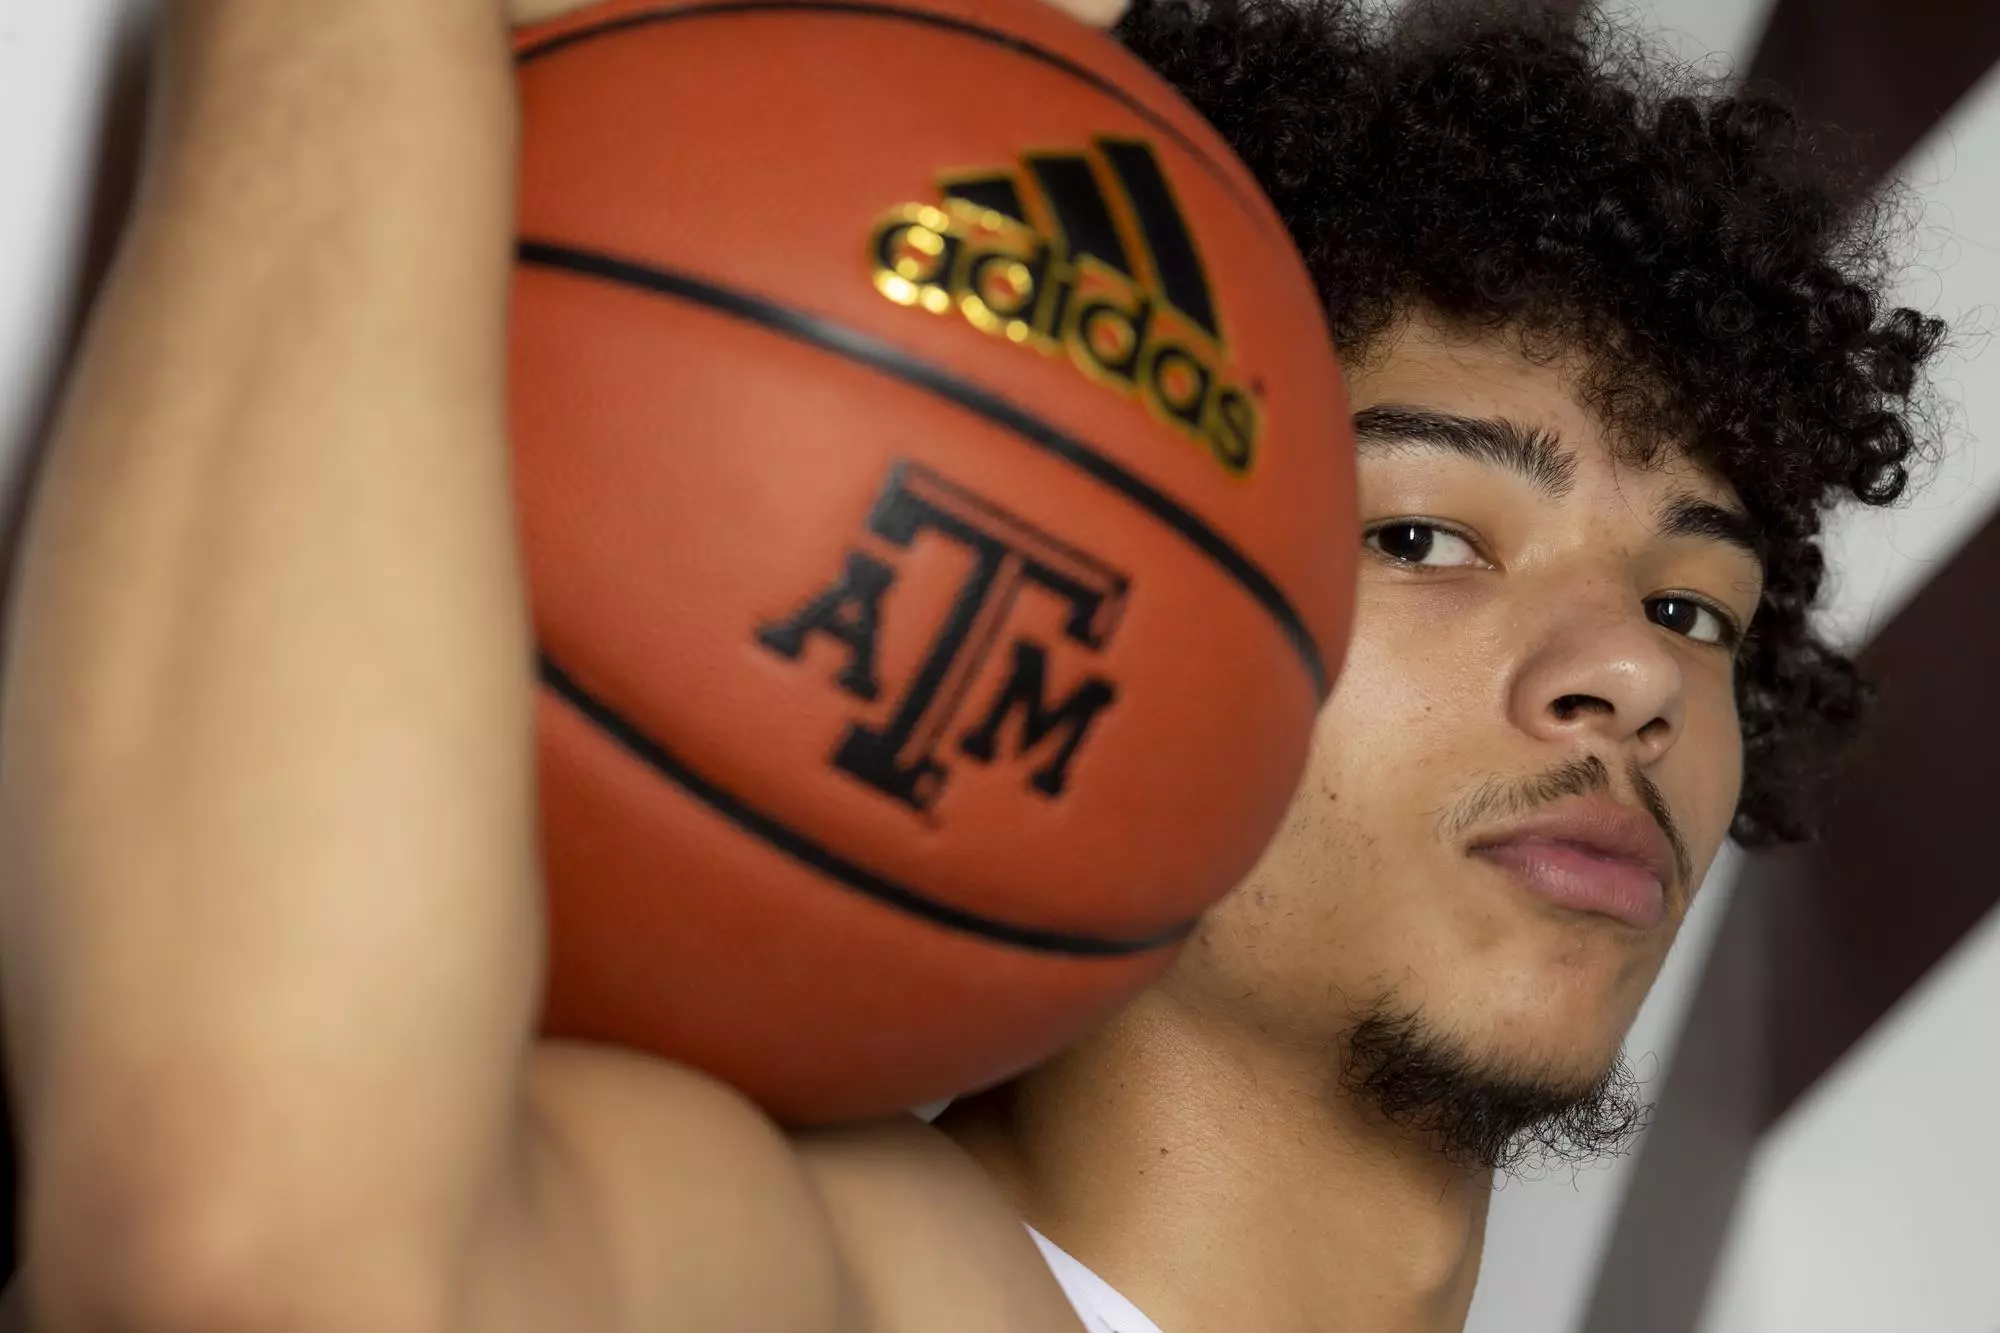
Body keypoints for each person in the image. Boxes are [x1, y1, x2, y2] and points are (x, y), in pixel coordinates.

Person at [0, 0, 1942, 1330]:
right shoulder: (847, 1276)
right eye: (1424, 536)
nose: (1629, 676)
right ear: (1145, 596)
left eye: (1698, 605)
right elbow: (255, 1253)